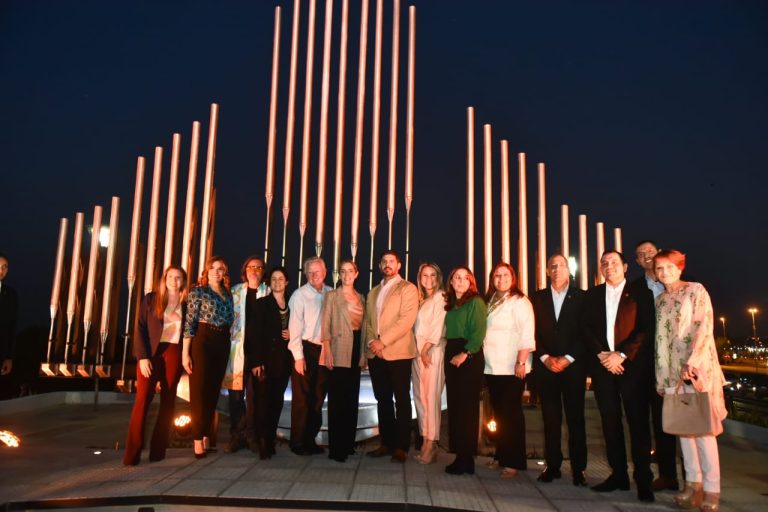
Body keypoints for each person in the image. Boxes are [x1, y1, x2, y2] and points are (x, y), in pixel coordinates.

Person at [654, 250, 726, 512]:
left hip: (697, 370)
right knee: (684, 431)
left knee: (704, 431)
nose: (664, 273)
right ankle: (692, 484)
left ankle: (712, 489)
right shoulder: (661, 300)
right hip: (672, 373)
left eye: (669, 267)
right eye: (659, 268)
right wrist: (662, 377)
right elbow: (659, 342)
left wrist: (692, 364)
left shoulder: (696, 291)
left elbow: (704, 327)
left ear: (680, 267)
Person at [582, 250, 656, 502]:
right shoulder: (592, 295)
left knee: (638, 424)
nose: (609, 266)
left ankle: (643, 480)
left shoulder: (640, 293)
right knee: (609, 423)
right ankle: (619, 475)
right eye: (604, 263)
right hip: (604, 369)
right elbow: (587, 329)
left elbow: (646, 329)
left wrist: (621, 355)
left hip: (632, 369)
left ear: (625, 266)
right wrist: (603, 355)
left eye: (614, 262)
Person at [531, 254, 587, 486]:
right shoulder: (537, 298)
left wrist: (568, 358)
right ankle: (552, 467)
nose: (557, 269)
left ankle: (579, 470)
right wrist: (544, 357)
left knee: (576, 419)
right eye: (552, 266)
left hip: (573, 367)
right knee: (550, 420)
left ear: (569, 269)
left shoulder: (582, 297)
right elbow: (531, 331)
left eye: (561, 265)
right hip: (546, 368)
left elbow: (587, 332)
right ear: (546, 270)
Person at [124, 265, 187, 465]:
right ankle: (132, 454)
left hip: (174, 353)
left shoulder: (187, 303)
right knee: (143, 401)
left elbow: (189, 332)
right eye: (170, 276)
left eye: (178, 278)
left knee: (168, 404)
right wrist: (142, 357)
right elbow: (140, 327)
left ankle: (157, 453)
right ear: (164, 278)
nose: (174, 281)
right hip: (151, 354)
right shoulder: (151, 299)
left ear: (183, 282)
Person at [364, 250, 419, 463]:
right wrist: (371, 342)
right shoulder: (373, 291)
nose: (388, 265)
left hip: (398, 353)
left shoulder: (408, 288)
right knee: (383, 400)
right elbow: (368, 322)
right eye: (384, 261)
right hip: (375, 354)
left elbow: (406, 321)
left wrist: (382, 341)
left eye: (391, 261)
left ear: (399, 265)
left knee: (402, 400)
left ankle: (401, 447)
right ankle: (385, 443)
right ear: (380, 266)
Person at [633, 240, 680, 492]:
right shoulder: (633, 289)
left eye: (651, 252)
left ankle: (670, 475)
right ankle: (643, 475)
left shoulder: (676, 285)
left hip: (670, 366)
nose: (647, 257)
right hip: (641, 366)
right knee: (639, 423)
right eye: (642, 255)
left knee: (667, 423)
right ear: (638, 262)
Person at [483, 262, 535, 479]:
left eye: (505, 275)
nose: (501, 279)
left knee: (511, 415)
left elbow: (527, 333)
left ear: (513, 278)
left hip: (512, 366)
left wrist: (521, 362)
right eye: (497, 275)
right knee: (500, 415)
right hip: (492, 366)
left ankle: (514, 462)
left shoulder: (520, 301)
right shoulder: (490, 301)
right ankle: (501, 455)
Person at [182, 256, 235, 459]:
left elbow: (230, 321)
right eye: (212, 268)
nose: (216, 272)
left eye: (220, 269)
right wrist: (185, 352)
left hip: (222, 341)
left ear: (224, 273)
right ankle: (197, 439)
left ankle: (205, 434)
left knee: (213, 390)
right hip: (203, 340)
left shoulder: (227, 294)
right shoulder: (198, 292)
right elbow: (190, 322)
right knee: (199, 390)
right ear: (207, 271)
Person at [319, 260, 365, 462]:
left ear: (356, 274)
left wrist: (363, 354)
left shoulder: (362, 298)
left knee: (351, 400)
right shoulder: (332, 296)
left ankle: (348, 444)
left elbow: (363, 329)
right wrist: (326, 349)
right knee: (337, 400)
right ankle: (337, 448)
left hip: (356, 350)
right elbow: (325, 325)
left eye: (350, 271)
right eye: (343, 271)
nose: (346, 275)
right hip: (337, 350)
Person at [443, 266, 487, 475]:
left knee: (467, 410)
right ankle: (462, 456)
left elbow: (478, 333)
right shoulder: (451, 305)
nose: (460, 281)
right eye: (456, 277)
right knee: (456, 408)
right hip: (452, 354)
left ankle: (466, 458)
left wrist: (465, 354)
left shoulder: (476, 302)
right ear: (451, 282)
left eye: (465, 278)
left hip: (468, 356)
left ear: (471, 282)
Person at [245, 266, 292, 459]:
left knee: (276, 402)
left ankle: (270, 438)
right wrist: (256, 361)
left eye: (281, 279)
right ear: (269, 282)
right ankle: (262, 441)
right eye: (274, 279)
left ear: (286, 282)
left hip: (283, 362)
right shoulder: (262, 303)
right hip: (264, 362)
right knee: (262, 402)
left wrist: (292, 333)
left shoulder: (292, 303)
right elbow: (253, 335)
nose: (277, 282)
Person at [225, 256, 270, 453]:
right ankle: (237, 434)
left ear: (263, 272)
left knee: (255, 397)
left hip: (258, 354)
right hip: (237, 352)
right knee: (235, 397)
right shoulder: (235, 291)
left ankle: (251, 434)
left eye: (259, 267)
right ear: (245, 270)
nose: (255, 270)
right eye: (251, 267)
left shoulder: (267, 292)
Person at [287, 256, 332, 455]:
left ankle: (310, 439)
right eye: (310, 272)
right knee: (302, 399)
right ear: (306, 275)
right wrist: (298, 357)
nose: (314, 276)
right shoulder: (299, 295)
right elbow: (294, 328)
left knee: (318, 398)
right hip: (306, 350)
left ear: (325, 272)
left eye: (317, 272)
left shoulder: (331, 293)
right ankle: (297, 442)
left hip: (325, 351)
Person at [411, 262, 447, 465]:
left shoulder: (441, 297)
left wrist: (425, 350)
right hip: (418, 354)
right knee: (420, 398)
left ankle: (431, 442)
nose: (429, 279)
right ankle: (425, 438)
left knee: (431, 398)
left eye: (433, 275)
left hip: (432, 352)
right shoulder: (421, 299)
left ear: (438, 277)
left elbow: (438, 326)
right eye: (425, 275)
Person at [0, 253, 18, 389]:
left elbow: (13, 326)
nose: (1, 271)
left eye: (4, 267)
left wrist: (9, 357)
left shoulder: (11, 295)